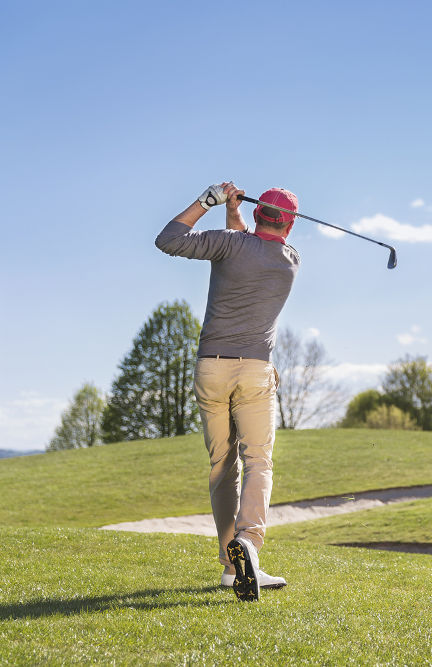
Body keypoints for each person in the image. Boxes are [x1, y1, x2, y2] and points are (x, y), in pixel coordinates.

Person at [155, 182, 300, 601]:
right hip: (255, 370)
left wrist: (210, 202)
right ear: (289, 223)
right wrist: (235, 216)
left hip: (211, 368)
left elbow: (169, 239)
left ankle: (230, 565)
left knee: (223, 464)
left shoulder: (228, 245)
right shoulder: (289, 261)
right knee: (258, 460)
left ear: (257, 215)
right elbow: (248, 244)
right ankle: (249, 547)